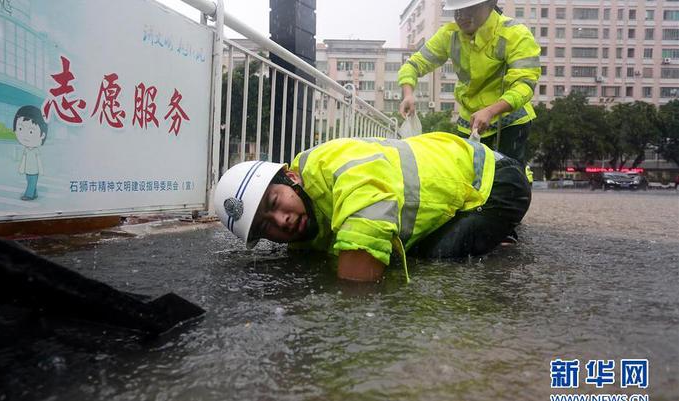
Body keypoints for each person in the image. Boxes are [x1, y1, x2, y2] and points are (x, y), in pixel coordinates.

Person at [214, 133, 531, 282]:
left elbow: (366, 236)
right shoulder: (304, 226)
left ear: (292, 176)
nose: (280, 221)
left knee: (429, 258)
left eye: (274, 202)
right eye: (264, 226)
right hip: (463, 172)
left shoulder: (336, 165)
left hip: (495, 180)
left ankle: (502, 236)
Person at [398, 0, 541, 164]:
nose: (461, 16)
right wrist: (408, 94)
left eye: (469, 8)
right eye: (456, 10)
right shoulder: (449, 35)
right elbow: (414, 64)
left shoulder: (514, 34)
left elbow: (524, 83)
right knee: (467, 177)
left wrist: (490, 111)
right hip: (470, 120)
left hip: (509, 120)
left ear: (491, 3)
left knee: (507, 179)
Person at [14, 105, 48, 201]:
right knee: (30, 182)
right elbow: (24, 159)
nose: (25, 135)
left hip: (34, 170)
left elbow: (39, 161)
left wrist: (41, 170)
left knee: (31, 183)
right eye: (20, 129)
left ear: (42, 135)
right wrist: (21, 168)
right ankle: (34, 193)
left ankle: (29, 195)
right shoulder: (26, 150)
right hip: (28, 170)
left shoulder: (35, 150)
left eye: (31, 132)